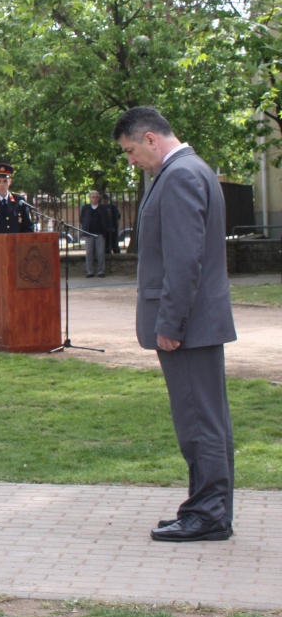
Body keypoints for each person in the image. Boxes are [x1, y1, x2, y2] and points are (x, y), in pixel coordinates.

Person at [114, 107, 236, 543]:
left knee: (198, 421)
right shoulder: (190, 169)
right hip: (199, 323)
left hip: (189, 325)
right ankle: (208, 508)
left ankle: (208, 514)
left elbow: (184, 262)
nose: (131, 161)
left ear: (150, 139)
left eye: (130, 151)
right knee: (208, 419)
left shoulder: (181, 175)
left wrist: (171, 323)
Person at [79, 191, 108, 278]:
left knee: (100, 253)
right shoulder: (86, 208)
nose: (95, 199)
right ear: (90, 198)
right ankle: (89, 271)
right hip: (88, 233)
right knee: (89, 253)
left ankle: (101, 271)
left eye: (96, 197)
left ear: (99, 198)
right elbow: (82, 219)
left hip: (100, 233)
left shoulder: (102, 208)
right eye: (93, 197)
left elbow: (106, 219)